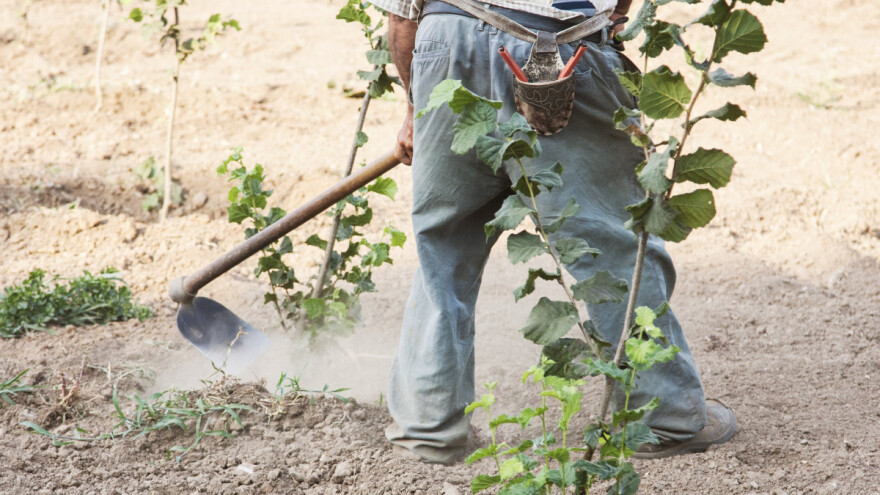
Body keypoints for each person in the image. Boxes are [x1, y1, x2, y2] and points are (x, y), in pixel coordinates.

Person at [370, 0, 737, 465]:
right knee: (610, 243)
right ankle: (662, 418)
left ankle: (427, 428)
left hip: (446, 43)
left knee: (441, 249)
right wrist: (614, 18)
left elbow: (401, 17)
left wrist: (415, 109)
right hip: (560, 51)